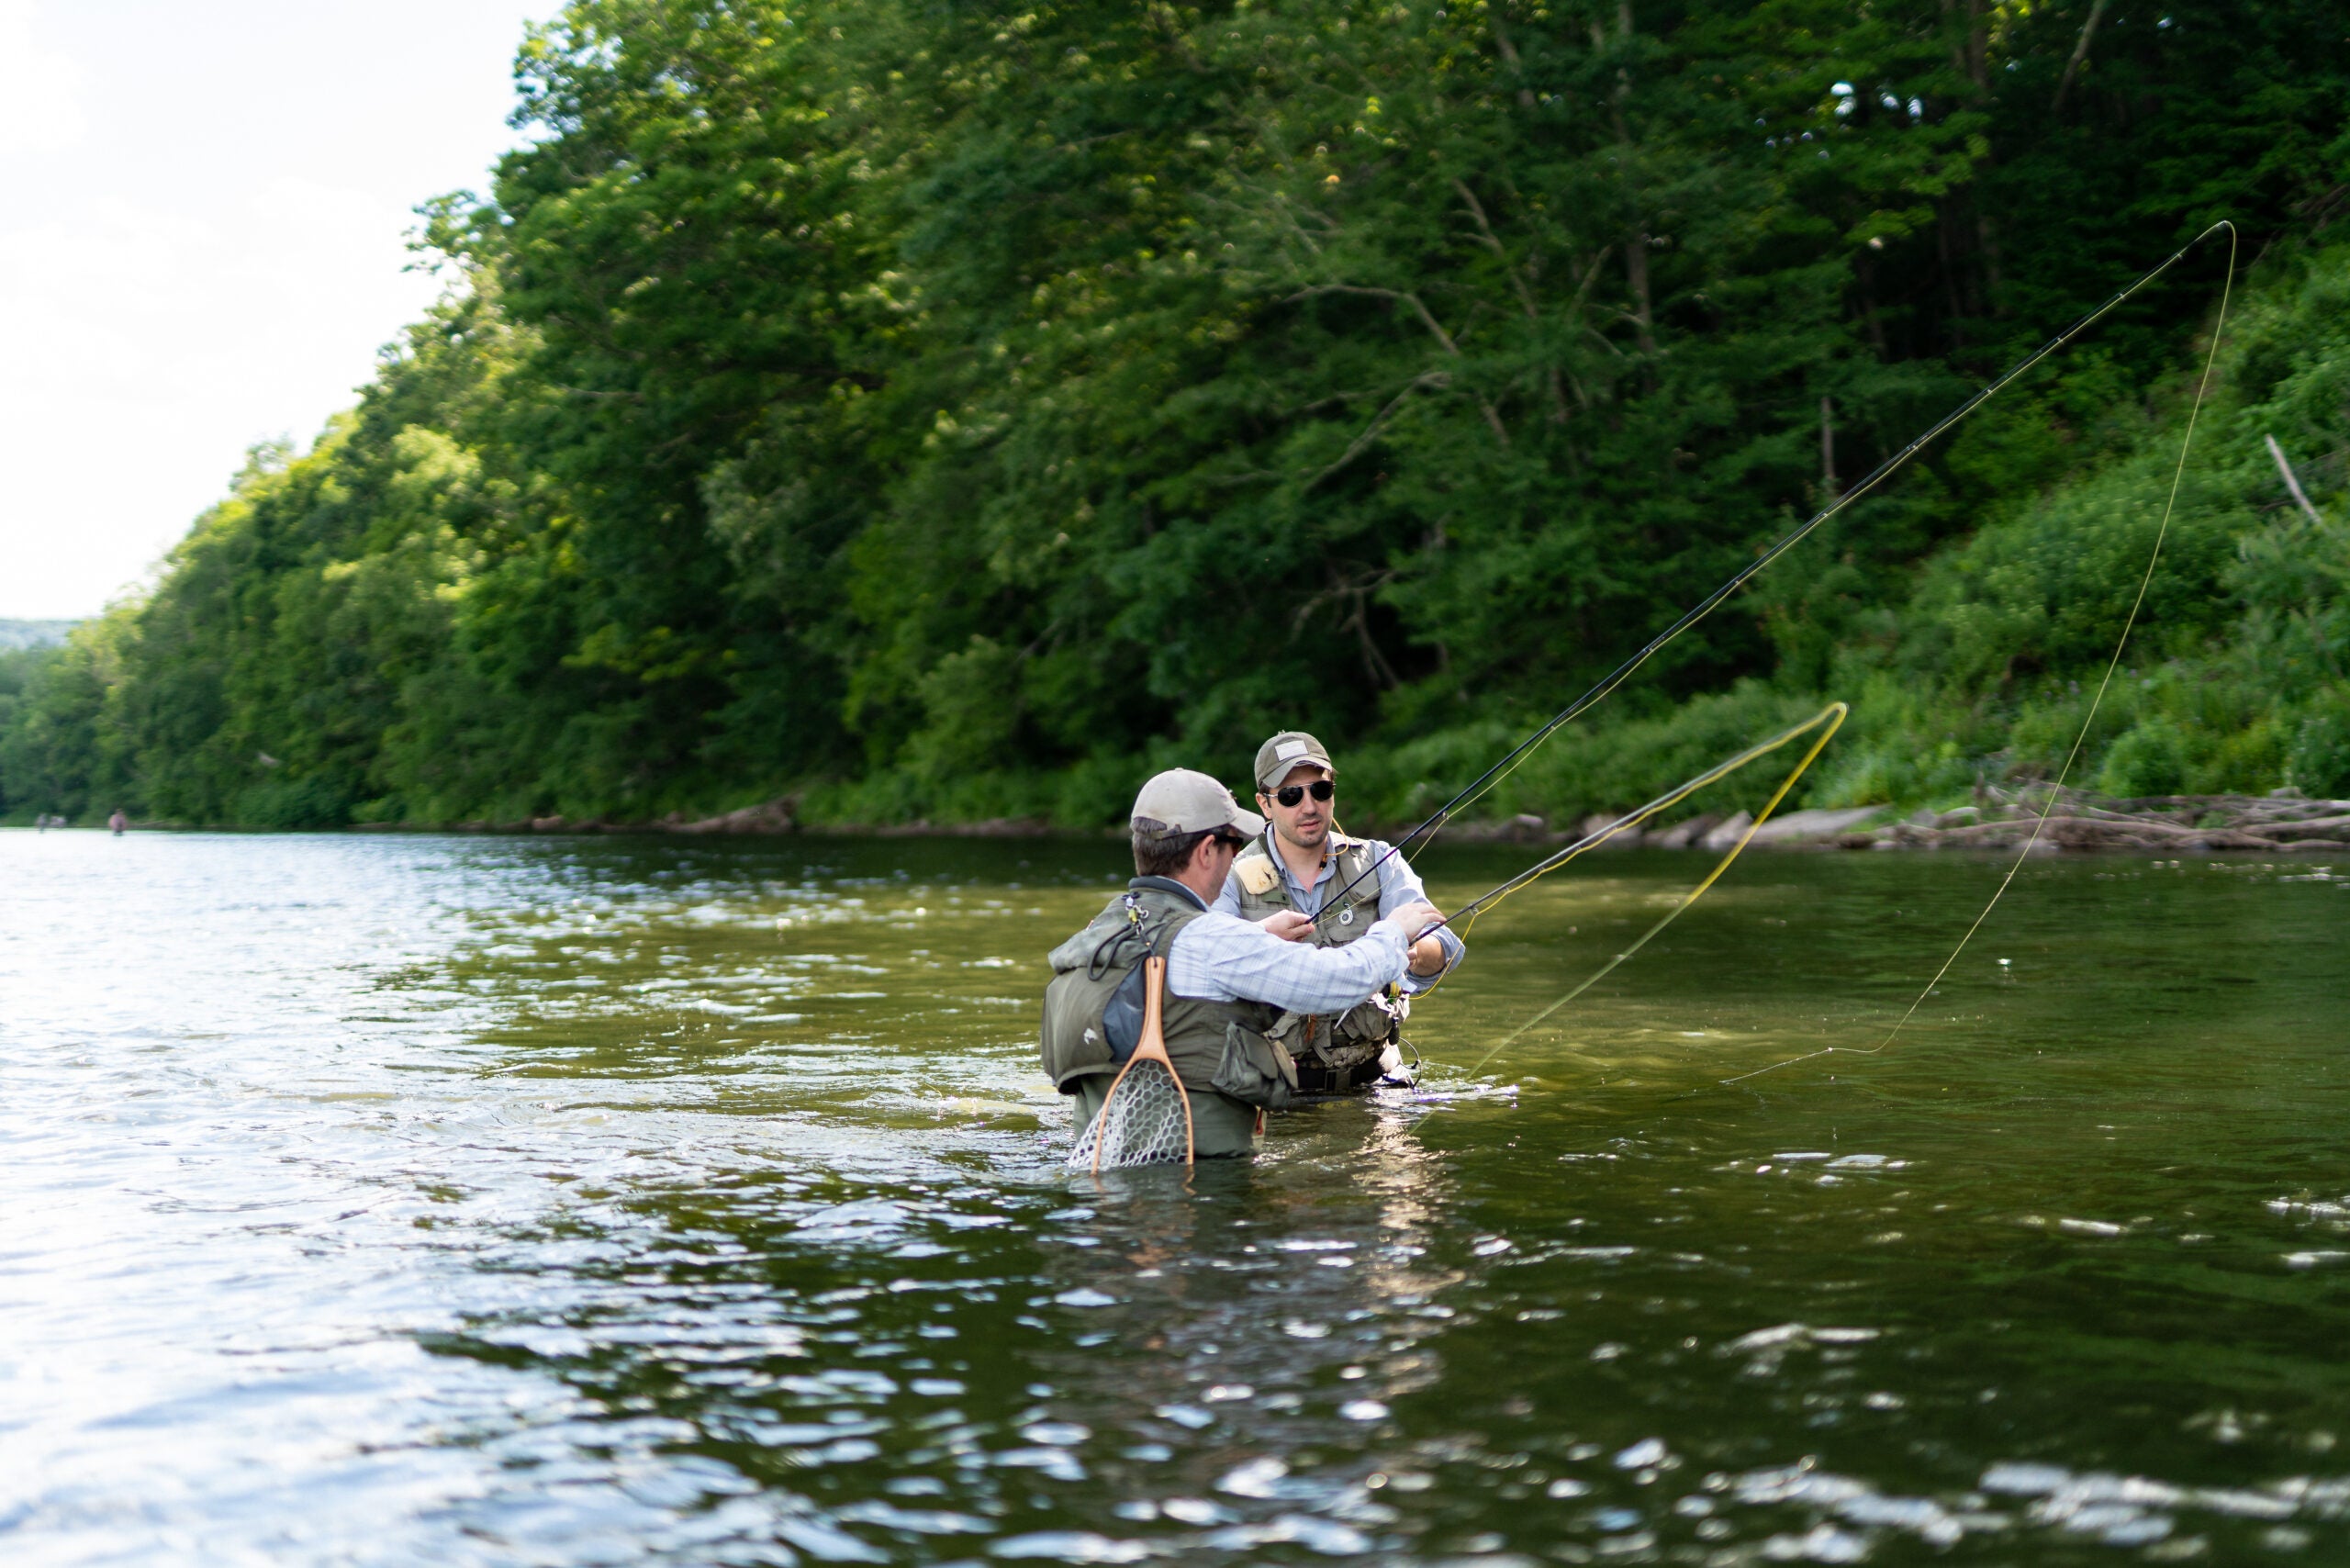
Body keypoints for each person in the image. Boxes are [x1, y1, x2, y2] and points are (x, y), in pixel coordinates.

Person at [1041, 768, 1439, 1159]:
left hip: (1104, 1170)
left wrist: (1260, 934)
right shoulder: (1212, 940)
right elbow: (1336, 980)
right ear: (1205, 852)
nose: (1239, 855)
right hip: (1200, 1182)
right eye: (1232, 843)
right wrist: (1395, 933)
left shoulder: (1105, 930)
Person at [1214, 730, 1463, 1094]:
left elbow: (1444, 943)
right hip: (1271, 1097)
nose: (1309, 806)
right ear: (1264, 805)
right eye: (1290, 795)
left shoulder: (1380, 860)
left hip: (1376, 1087)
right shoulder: (1228, 876)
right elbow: (1204, 966)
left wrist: (1410, 952)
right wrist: (1260, 939)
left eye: (1320, 790)